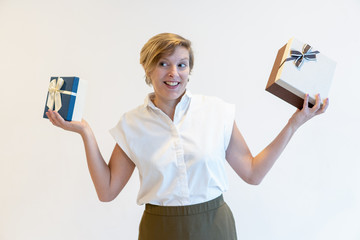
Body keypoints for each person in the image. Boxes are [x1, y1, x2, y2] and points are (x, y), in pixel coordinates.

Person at [46, 33, 329, 240]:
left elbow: (253, 173)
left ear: (190, 70)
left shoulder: (217, 111)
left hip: (215, 227)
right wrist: (85, 132)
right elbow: (107, 191)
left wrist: (295, 123)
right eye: (163, 64)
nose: (174, 73)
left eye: (182, 65)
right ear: (147, 69)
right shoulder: (132, 123)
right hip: (159, 229)